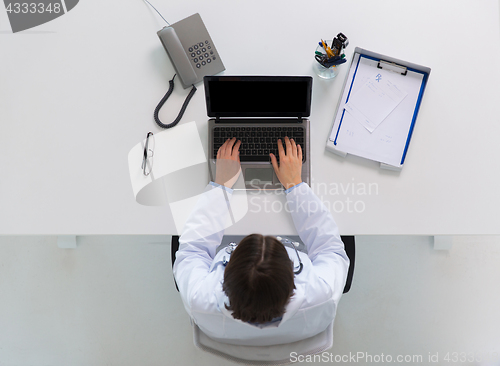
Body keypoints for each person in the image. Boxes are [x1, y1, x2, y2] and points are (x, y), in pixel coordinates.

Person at [173, 136, 349, 346]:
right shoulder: (322, 293)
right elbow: (330, 248)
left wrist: (221, 185)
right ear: (292, 277)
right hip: (303, 332)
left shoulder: (199, 298)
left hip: (222, 334)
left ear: (225, 274)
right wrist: (294, 184)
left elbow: (192, 250)